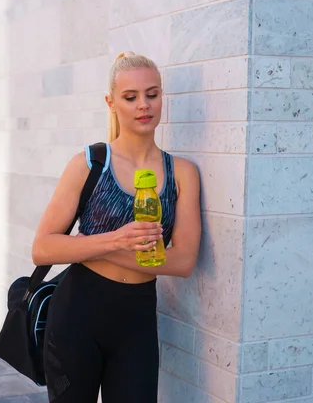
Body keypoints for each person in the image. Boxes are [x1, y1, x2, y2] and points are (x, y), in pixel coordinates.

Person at [31, 51, 202, 402]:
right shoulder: (89, 164)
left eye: (152, 94)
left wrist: (94, 247)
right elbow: (43, 248)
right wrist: (117, 239)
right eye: (130, 97)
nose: (144, 105)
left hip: (137, 319)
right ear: (111, 103)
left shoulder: (181, 173)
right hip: (77, 316)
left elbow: (183, 261)